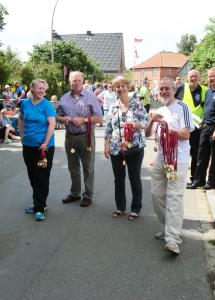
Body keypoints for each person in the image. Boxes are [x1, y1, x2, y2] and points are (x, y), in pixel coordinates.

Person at [145, 77, 194, 255]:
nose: (164, 92)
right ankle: (168, 228)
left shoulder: (183, 108)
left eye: (167, 89)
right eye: (161, 89)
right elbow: (148, 133)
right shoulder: (159, 110)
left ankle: (173, 239)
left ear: (174, 90)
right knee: (156, 194)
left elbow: (186, 134)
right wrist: (151, 121)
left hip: (177, 159)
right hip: (160, 158)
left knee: (174, 197)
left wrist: (168, 129)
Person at [56, 71, 103, 207]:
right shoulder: (64, 97)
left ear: (83, 82)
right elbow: (57, 115)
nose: (76, 83)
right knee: (73, 167)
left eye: (79, 81)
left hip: (85, 136)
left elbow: (99, 117)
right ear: (69, 81)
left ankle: (88, 194)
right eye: (73, 81)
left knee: (88, 167)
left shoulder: (90, 97)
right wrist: (62, 118)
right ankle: (75, 193)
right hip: (69, 137)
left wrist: (84, 120)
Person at [104, 76, 148, 220]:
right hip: (117, 148)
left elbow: (146, 122)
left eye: (123, 86)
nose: (120, 88)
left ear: (128, 87)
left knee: (134, 178)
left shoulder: (137, 105)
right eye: (117, 86)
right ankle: (120, 207)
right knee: (119, 179)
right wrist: (106, 145)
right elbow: (108, 127)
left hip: (135, 148)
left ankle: (135, 208)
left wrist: (135, 125)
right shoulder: (113, 106)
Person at [18, 79, 56, 221]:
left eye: (43, 89)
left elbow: (52, 124)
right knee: (32, 175)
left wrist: (46, 142)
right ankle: (39, 203)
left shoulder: (47, 105)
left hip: (44, 147)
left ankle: (39, 207)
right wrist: (21, 135)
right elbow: (21, 119)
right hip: (28, 145)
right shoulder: (25, 104)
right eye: (39, 88)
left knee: (42, 176)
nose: (42, 91)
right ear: (32, 88)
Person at [188, 68, 215, 190]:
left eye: (214, 76)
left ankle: (211, 183)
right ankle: (198, 181)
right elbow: (207, 109)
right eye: (210, 76)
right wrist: (202, 123)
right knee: (201, 156)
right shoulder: (208, 92)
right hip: (205, 127)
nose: (211, 79)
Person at [175, 69, 208, 186]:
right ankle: (177, 178)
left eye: (195, 77)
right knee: (180, 153)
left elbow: (208, 109)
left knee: (196, 155)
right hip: (183, 129)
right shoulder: (181, 89)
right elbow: (174, 105)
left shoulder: (205, 90)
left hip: (198, 129)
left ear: (199, 78)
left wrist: (204, 122)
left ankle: (195, 179)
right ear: (187, 78)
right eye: (191, 77)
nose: (193, 79)